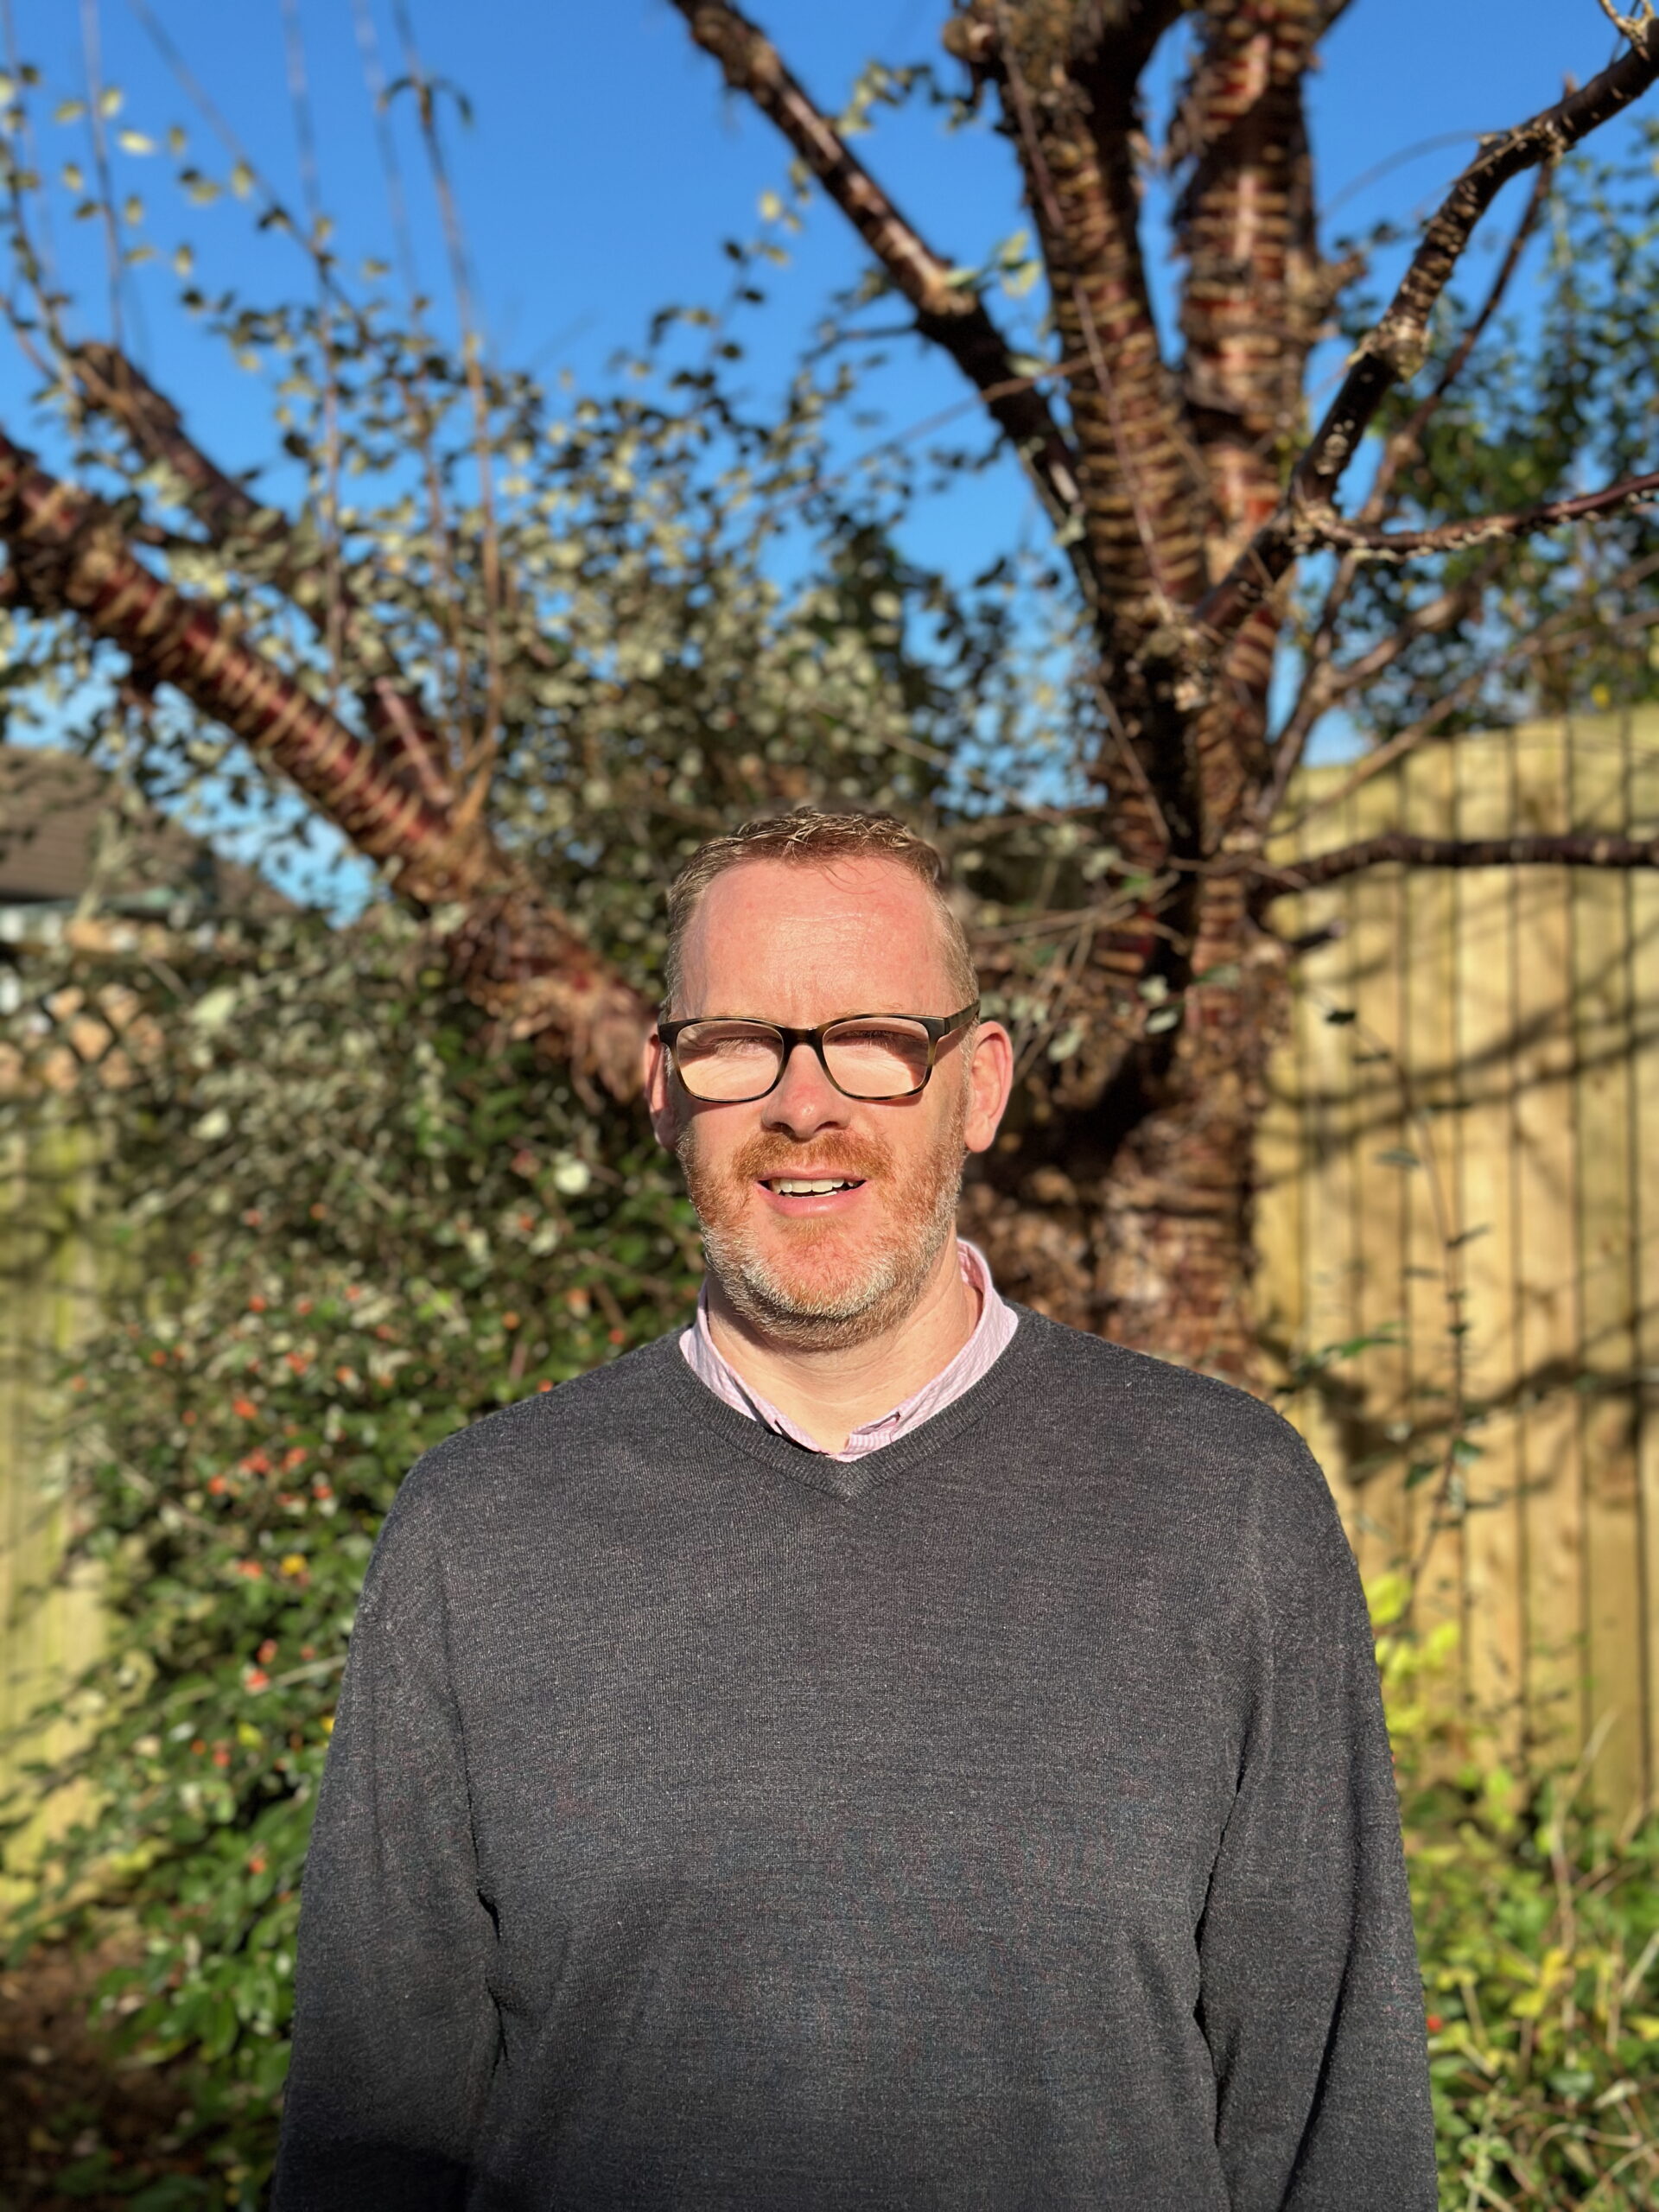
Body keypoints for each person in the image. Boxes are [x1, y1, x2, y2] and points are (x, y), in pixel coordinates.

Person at [273, 811, 1437, 2210]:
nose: (804, 1103)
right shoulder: (481, 1529)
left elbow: (1334, 2130)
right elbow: (370, 2140)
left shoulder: (1225, 1506)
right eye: (738, 1041)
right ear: (664, 1084)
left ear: (979, 1084)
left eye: (876, 1038)